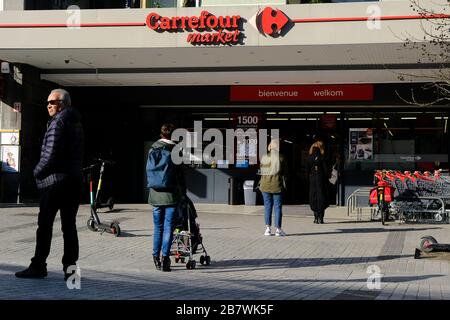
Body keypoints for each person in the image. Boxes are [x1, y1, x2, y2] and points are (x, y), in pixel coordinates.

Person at [15, 88, 84, 280]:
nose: (48, 106)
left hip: (55, 182)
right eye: (47, 103)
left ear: (62, 104)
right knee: (69, 226)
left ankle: (38, 266)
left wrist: (36, 173)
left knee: (44, 225)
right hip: (73, 180)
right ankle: (70, 270)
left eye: (51, 103)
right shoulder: (76, 122)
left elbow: (50, 155)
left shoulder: (59, 122)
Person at [147, 123, 185, 272]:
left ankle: (155, 257)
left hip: (155, 194)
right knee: (169, 227)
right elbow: (180, 174)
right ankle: (165, 259)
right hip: (171, 195)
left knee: (158, 227)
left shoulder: (152, 148)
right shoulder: (176, 150)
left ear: (161, 134)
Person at [258, 139, 289, 236]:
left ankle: (267, 229)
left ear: (270, 146)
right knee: (277, 207)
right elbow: (286, 172)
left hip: (265, 185)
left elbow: (261, 170)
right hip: (277, 185)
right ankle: (278, 230)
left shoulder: (263, 157)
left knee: (267, 207)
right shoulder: (281, 158)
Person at [307, 141, 329, 224]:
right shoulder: (323, 157)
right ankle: (321, 218)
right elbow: (326, 170)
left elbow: (307, 170)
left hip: (312, 180)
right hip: (321, 179)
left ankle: (315, 217)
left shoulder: (309, 157)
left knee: (313, 197)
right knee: (321, 196)